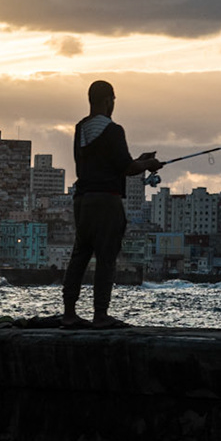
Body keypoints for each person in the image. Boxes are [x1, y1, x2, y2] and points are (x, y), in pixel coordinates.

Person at [63, 79, 161, 328]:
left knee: (80, 255)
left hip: (82, 200)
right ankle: (101, 315)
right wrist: (147, 164)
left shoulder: (80, 128)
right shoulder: (114, 130)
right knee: (106, 257)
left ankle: (69, 313)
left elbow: (104, 164)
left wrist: (137, 161)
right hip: (106, 200)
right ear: (108, 100)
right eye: (113, 100)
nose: (113, 104)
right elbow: (127, 168)